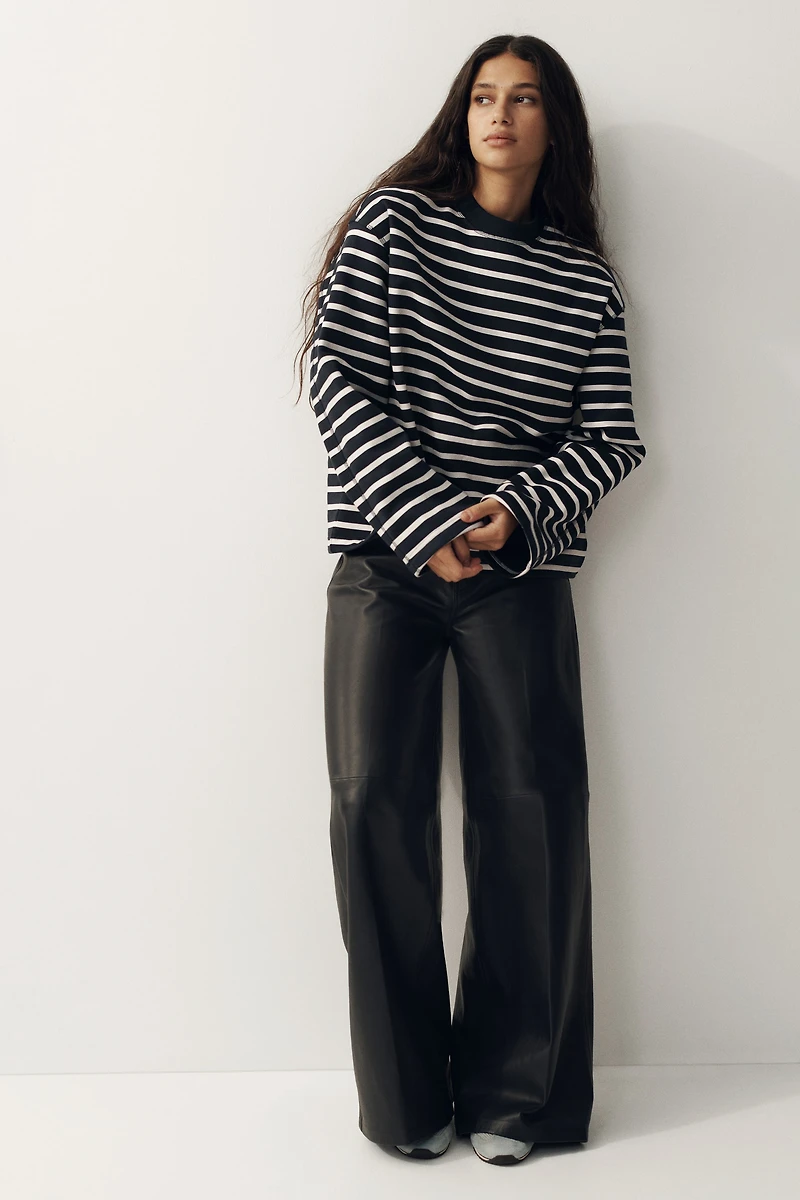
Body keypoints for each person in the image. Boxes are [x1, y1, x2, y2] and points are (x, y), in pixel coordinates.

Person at [296, 33, 646, 1167]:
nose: (500, 114)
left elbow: (611, 438)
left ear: (554, 125)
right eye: (484, 96)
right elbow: (334, 376)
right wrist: (422, 520)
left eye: (525, 97)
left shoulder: (583, 282)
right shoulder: (393, 227)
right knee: (373, 813)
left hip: (516, 570)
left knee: (532, 815)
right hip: (385, 562)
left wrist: (512, 509)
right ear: (461, 117)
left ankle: (515, 1098)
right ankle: (405, 1104)